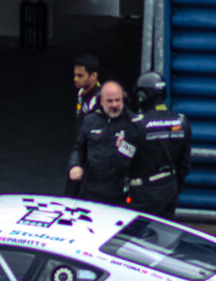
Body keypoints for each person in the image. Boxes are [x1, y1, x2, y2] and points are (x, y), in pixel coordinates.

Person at [126, 71, 192, 219]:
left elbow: (122, 162)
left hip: (142, 193)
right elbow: (185, 163)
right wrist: (175, 186)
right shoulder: (182, 121)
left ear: (141, 96)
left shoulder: (136, 124)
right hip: (169, 189)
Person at [68, 81, 140, 206]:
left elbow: (140, 155)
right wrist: (75, 165)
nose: (114, 105)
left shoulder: (133, 123)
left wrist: (123, 147)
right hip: (91, 190)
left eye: (118, 100)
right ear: (101, 101)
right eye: (110, 101)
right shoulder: (90, 120)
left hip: (119, 193)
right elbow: (78, 148)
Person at [64, 54, 102, 197]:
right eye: (74, 75)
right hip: (79, 152)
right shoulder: (81, 93)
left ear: (93, 76)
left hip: (93, 160)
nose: (75, 79)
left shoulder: (102, 100)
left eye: (80, 76)